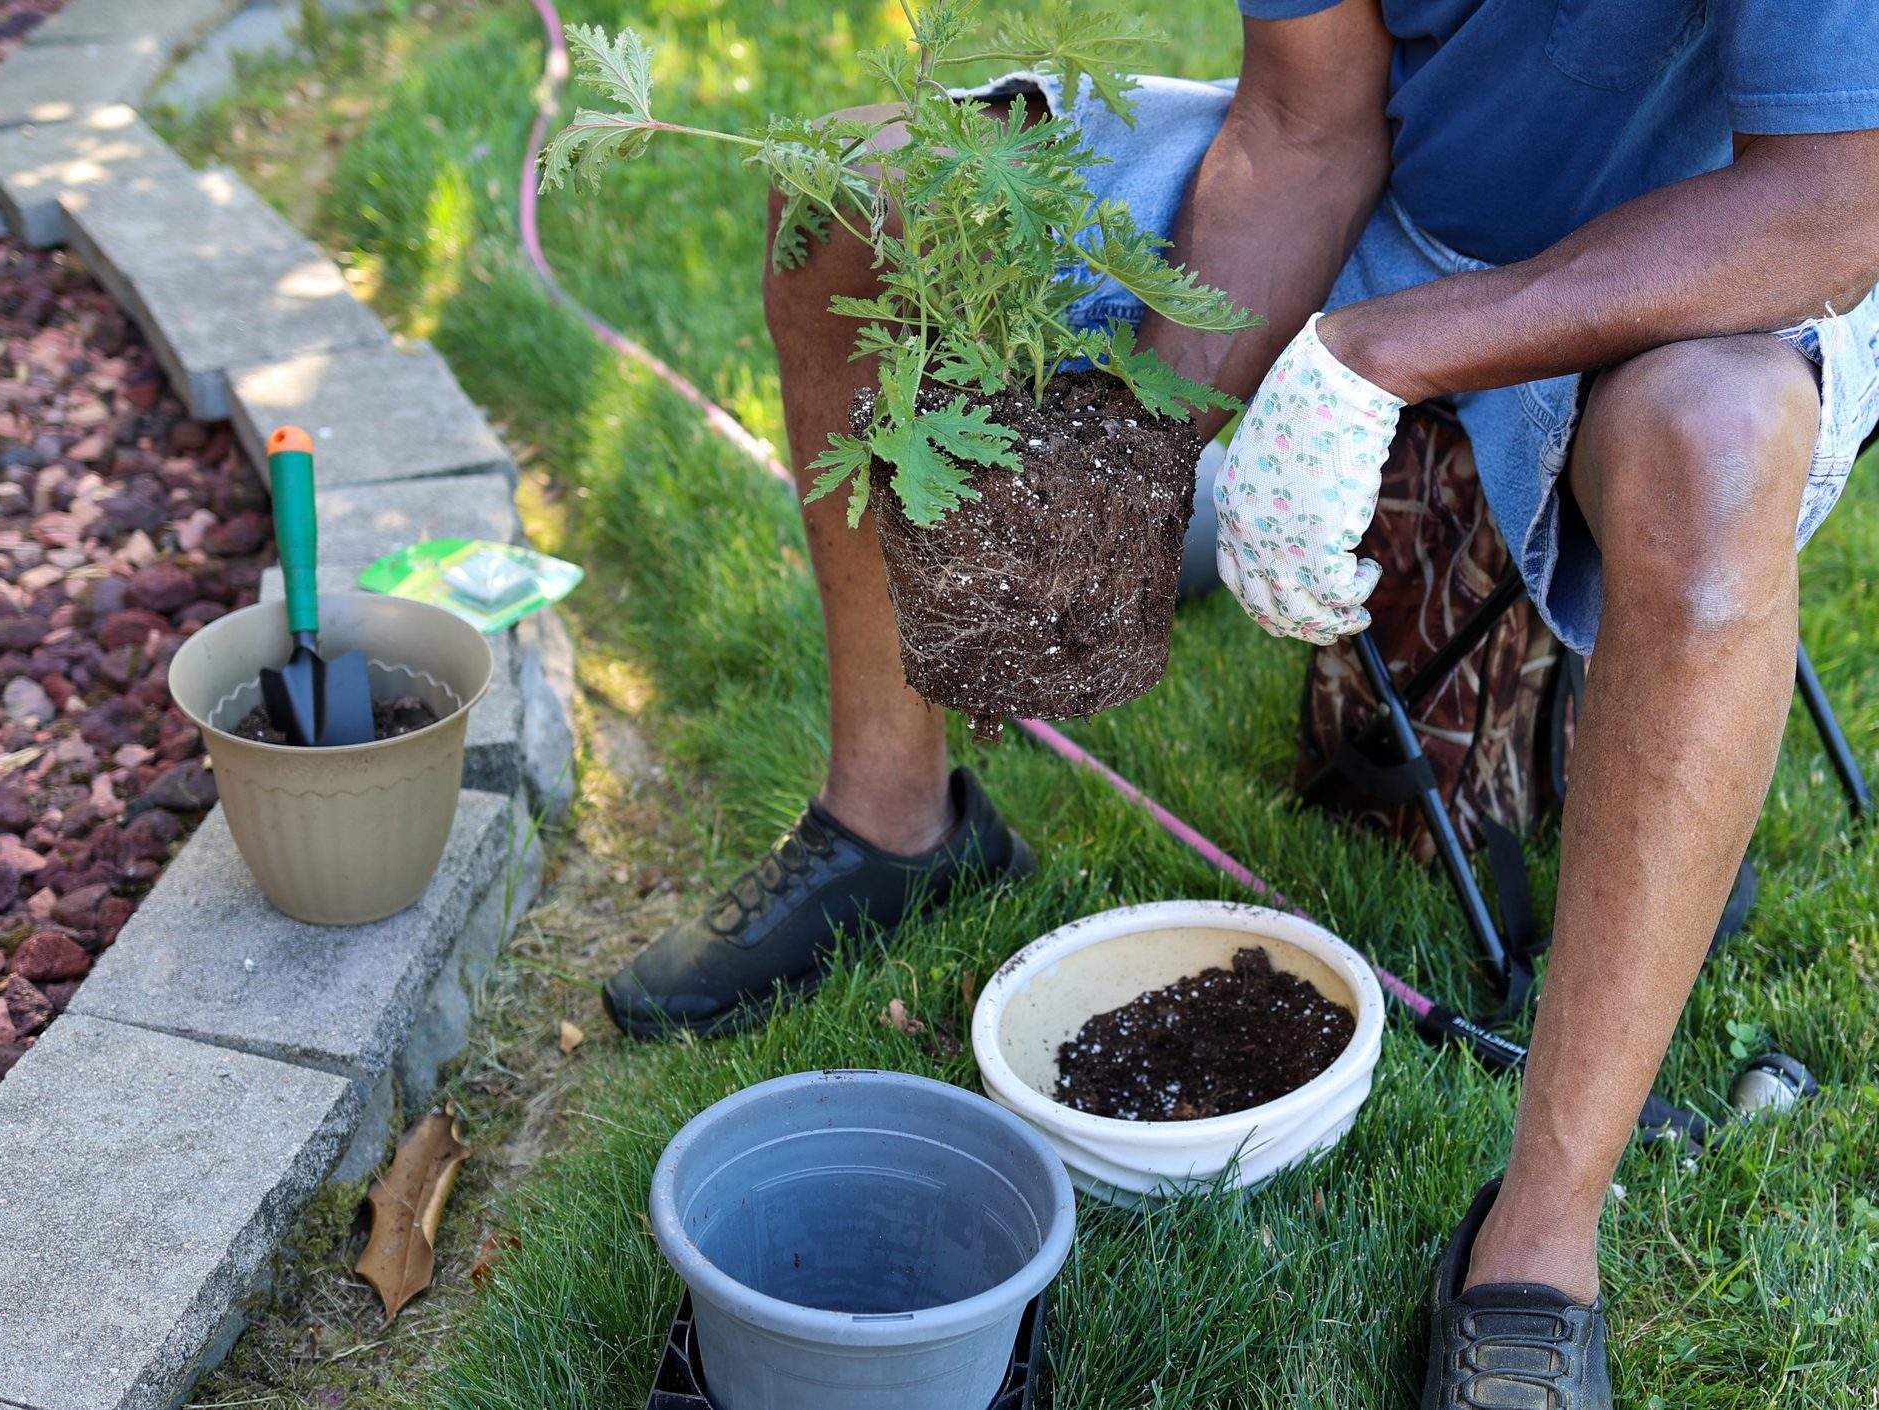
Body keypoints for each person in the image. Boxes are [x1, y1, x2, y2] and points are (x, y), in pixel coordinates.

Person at [600, 3, 1879, 1403]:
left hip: (1707, 247)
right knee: (854, 197)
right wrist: (1140, 454)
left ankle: (1536, 1244)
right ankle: (894, 822)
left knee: (1713, 457)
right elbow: (1303, 120)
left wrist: (1378, 354)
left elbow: (1827, 206)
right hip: (1408, 188)